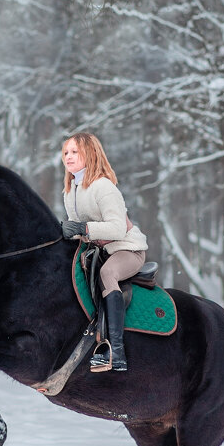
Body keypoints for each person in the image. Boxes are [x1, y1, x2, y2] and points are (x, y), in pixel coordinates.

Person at [61, 132, 148, 372]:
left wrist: (82, 228)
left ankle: (115, 351)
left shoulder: (103, 186)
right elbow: (79, 229)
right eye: (66, 152)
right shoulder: (71, 191)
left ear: (89, 153)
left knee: (107, 274)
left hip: (126, 249)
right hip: (98, 250)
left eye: (74, 152)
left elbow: (118, 228)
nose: (68, 157)